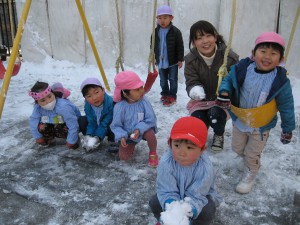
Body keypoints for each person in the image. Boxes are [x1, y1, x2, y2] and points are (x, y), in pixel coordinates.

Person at [217, 31, 295, 194]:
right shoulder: (242, 69)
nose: (267, 57)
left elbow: (287, 105)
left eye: (273, 53)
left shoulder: (280, 81)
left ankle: (251, 172)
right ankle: (249, 160)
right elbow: (228, 81)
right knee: (237, 149)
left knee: (251, 154)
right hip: (240, 119)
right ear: (253, 54)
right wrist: (224, 92)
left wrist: (287, 128)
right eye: (263, 51)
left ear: (280, 59)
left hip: (261, 125)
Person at [149, 116, 222, 225]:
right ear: (170, 143)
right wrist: (172, 210)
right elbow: (166, 190)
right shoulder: (166, 162)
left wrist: (187, 212)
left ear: (202, 149)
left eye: (189, 148)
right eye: (177, 145)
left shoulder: (205, 168)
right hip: (173, 199)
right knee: (155, 202)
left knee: (208, 210)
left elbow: (198, 195)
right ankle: (165, 220)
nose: (181, 153)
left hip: (197, 199)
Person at [184, 20, 239, 152]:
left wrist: (227, 93)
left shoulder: (228, 57)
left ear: (215, 36)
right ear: (193, 42)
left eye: (208, 36)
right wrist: (195, 90)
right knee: (198, 119)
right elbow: (191, 80)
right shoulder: (191, 59)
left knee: (215, 116)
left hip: (221, 100)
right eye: (199, 38)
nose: (205, 41)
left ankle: (219, 134)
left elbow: (236, 79)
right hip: (201, 100)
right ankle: (200, 134)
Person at [110, 70, 159, 167]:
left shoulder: (144, 101)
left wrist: (138, 129)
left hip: (143, 130)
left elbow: (150, 119)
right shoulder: (119, 107)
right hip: (128, 134)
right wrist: (122, 136)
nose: (142, 91)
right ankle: (128, 146)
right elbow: (116, 125)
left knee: (150, 134)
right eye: (137, 89)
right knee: (124, 158)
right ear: (125, 93)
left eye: (141, 87)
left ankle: (153, 153)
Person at [28, 81, 81, 149]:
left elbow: (73, 124)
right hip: (52, 122)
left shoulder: (63, 107)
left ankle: (74, 140)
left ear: (53, 93)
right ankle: (50, 140)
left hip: (67, 125)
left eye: (49, 96)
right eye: (43, 100)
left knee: (60, 128)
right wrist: (38, 137)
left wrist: (71, 141)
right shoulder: (38, 108)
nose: (48, 101)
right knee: (42, 127)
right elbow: (33, 121)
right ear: (37, 102)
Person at [152, 4, 184, 107]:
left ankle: (172, 96)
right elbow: (152, 45)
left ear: (171, 18)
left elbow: (180, 46)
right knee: (162, 79)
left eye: (165, 18)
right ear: (157, 19)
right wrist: (154, 57)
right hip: (161, 60)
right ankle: (165, 93)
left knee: (173, 79)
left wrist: (180, 59)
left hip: (172, 61)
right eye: (160, 18)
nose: (162, 20)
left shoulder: (176, 32)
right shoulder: (156, 32)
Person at [79, 77, 115, 152]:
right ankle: (90, 141)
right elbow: (91, 122)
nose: (94, 98)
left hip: (108, 127)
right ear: (85, 98)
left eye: (96, 92)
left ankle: (113, 143)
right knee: (81, 120)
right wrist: (88, 135)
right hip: (98, 125)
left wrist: (98, 137)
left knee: (114, 124)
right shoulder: (88, 106)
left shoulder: (111, 103)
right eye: (89, 96)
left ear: (103, 90)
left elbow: (104, 123)